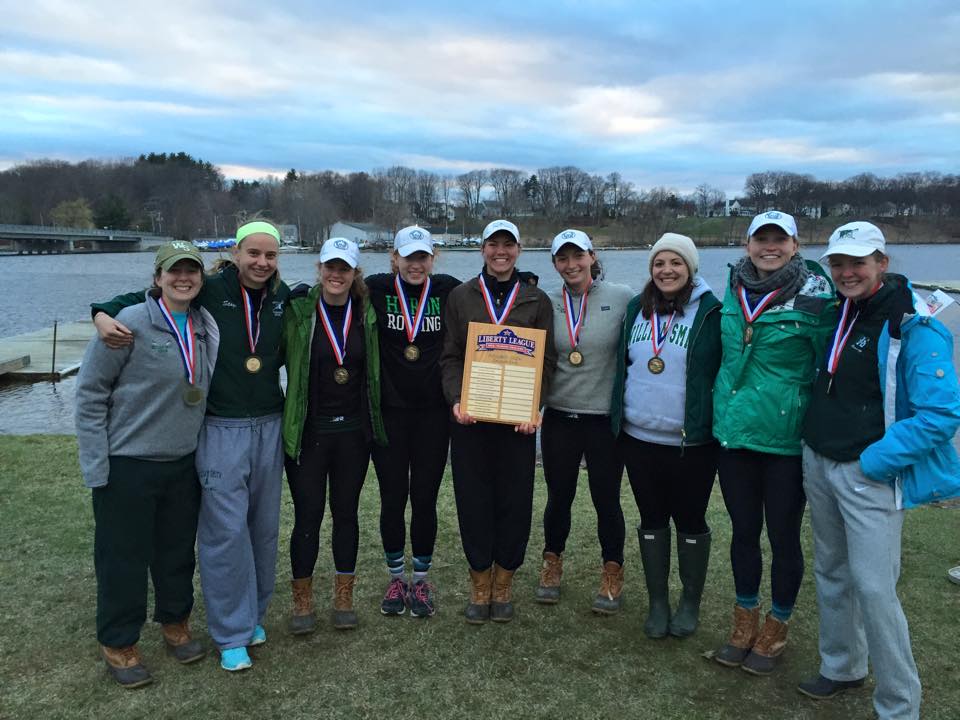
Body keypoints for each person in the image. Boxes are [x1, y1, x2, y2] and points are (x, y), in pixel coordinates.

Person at [92, 220, 289, 672]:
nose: (261, 262)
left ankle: (253, 616)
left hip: (269, 425)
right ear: (236, 253)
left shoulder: (283, 297)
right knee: (226, 534)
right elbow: (149, 297)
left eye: (270, 255)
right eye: (253, 253)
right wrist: (101, 311)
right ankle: (231, 632)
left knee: (262, 530)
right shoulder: (209, 289)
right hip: (220, 426)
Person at [797, 221, 960, 718]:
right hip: (820, 460)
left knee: (874, 588)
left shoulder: (913, 325)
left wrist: (875, 461)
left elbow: (941, 415)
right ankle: (842, 665)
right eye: (838, 263)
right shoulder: (838, 309)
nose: (847, 272)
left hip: (869, 473)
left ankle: (899, 703)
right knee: (831, 571)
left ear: (881, 263)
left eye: (858, 263)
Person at [77, 242, 217, 688]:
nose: (183, 278)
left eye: (192, 271)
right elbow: (90, 393)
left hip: (183, 461)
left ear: (201, 279)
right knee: (123, 557)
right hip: (128, 463)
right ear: (157, 278)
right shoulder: (128, 323)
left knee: (176, 551)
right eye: (174, 271)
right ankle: (118, 640)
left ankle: (175, 621)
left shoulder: (204, 323)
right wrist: (97, 465)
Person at [711, 210, 836, 675]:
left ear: (795, 245)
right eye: (761, 238)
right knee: (743, 532)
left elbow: (831, 360)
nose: (770, 247)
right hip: (734, 434)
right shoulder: (733, 287)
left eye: (779, 239)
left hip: (784, 439)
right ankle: (744, 618)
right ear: (747, 245)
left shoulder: (817, 292)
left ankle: (777, 624)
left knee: (783, 537)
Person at [440, 219, 556, 623]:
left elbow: (547, 362)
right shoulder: (461, 295)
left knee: (514, 503)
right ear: (483, 249)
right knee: (473, 502)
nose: (500, 251)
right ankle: (479, 583)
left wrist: (534, 406)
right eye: (493, 244)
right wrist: (457, 399)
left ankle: (504, 581)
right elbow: (450, 356)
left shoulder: (536, 299)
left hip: (516, 425)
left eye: (508, 244)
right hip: (470, 420)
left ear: (518, 250)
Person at [610, 233, 722, 638]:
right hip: (639, 438)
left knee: (690, 519)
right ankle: (658, 602)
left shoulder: (712, 312)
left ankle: (689, 602)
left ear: (691, 267)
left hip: (691, 442)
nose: (666, 270)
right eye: (659, 263)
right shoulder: (636, 308)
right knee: (651, 518)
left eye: (676, 263)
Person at [282, 237, 387, 633]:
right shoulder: (298, 311)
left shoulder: (367, 313)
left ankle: (344, 597)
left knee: (346, 515)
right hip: (310, 434)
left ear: (355, 273)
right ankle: (302, 601)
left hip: (353, 436)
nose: (336, 275)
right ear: (320, 269)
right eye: (330, 267)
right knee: (307, 517)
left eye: (344, 269)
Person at [365, 227, 461, 617]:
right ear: (395, 258)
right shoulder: (375, 288)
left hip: (433, 415)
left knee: (424, 498)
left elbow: (485, 298)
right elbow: (333, 288)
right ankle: (395, 578)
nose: (415, 265)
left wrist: (525, 283)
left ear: (432, 259)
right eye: (408, 257)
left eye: (422, 257)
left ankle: (420, 581)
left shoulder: (448, 290)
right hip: (389, 413)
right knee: (392, 498)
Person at [536, 229, 633, 612]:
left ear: (592, 256)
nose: (571, 264)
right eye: (562, 258)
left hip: (603, 421)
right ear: (554, 263)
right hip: (560, 416)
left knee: (606, 499)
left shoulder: (623, 297)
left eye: (578, 256)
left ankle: (612, 571)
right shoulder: (547, 303)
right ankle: (552, 563)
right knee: (558, 497)